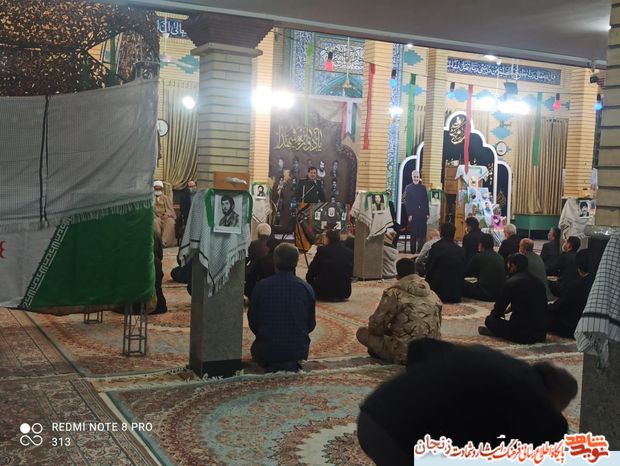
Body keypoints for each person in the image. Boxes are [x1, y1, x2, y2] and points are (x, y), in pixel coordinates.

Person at [357, 338, 577, 465]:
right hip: (399, 441)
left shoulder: (501, 364)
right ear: (555, 398)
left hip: (372, 413)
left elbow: (420, 345)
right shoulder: (537, 400)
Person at [356, 259, 442, 364]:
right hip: (431, 352)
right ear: (416, 273)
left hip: (405, 354)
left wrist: (388, 330)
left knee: (362, 332)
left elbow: (376, 327)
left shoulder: (394, 294)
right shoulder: (433, 294)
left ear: (397, 276)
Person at [248, 243, 316, 372]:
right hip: (298, 351)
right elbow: (311, 324)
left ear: (275, 261)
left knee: (256, 349)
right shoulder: (306, 288)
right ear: (296, 262)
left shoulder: (261, 287)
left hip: (266, 351)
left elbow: (253, 322)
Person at [479, 253, 548, 343]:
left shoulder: (511, 282)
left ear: (514, 266)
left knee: (489, 320)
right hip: (541, 334)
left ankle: (500, 333)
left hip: (521, 334)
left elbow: (498, 309)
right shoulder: (539, 282)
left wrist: (494, 317)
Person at [548, 249, 594, 338]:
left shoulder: (575, 286)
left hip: (571, 326)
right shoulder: (596, 282)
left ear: (578, 267)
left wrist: (547, 307)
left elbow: (559, 306)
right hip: (589, 323)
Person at [306, 229, 353, 301]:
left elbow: (312, 270)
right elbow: (351, 272)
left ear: (328, 238)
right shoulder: (349, 252)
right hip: (344, 292)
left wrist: (309, 280)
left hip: (323, 292)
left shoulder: (322, 250)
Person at [425, 223, 466, 303]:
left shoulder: (436, 247)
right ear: (453, 234)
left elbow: (429, 268)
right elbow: (464, 270)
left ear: (441, 233)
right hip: (456, 293)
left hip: (438, 293)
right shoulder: (461, 250)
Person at [462, 233, 506, 302]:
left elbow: (466, 272)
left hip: (485, 293)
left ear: (480, 244)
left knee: (461, 283)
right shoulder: (500, 257)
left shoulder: (479, 256)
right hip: (499, 293)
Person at [403, 170, 429, 253]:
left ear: (419, 177)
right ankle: (413, 252)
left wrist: (427, 213)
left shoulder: (423, 188)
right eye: (415, 177)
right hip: (413, 214)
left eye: (417, 177)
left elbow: (426, 201)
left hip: (422, 214)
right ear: (412, 177)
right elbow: (407, 202)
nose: (416, 178)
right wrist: (409, 214)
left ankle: (420, 252)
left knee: (422, 234)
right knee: (413, 234)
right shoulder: (408, 187)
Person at [153, 180, 177, 248]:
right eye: (156, 189)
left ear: (162, 189)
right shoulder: (150, 199)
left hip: (165, 216)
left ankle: (164, 242)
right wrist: (155, 215)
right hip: (155, 216)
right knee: (155, 222)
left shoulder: (166, 198)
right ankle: (157, 242)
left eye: (159, 189)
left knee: (170, 222)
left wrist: (167, 214)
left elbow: (170, 210)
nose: (158, 190)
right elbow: (149, 210)